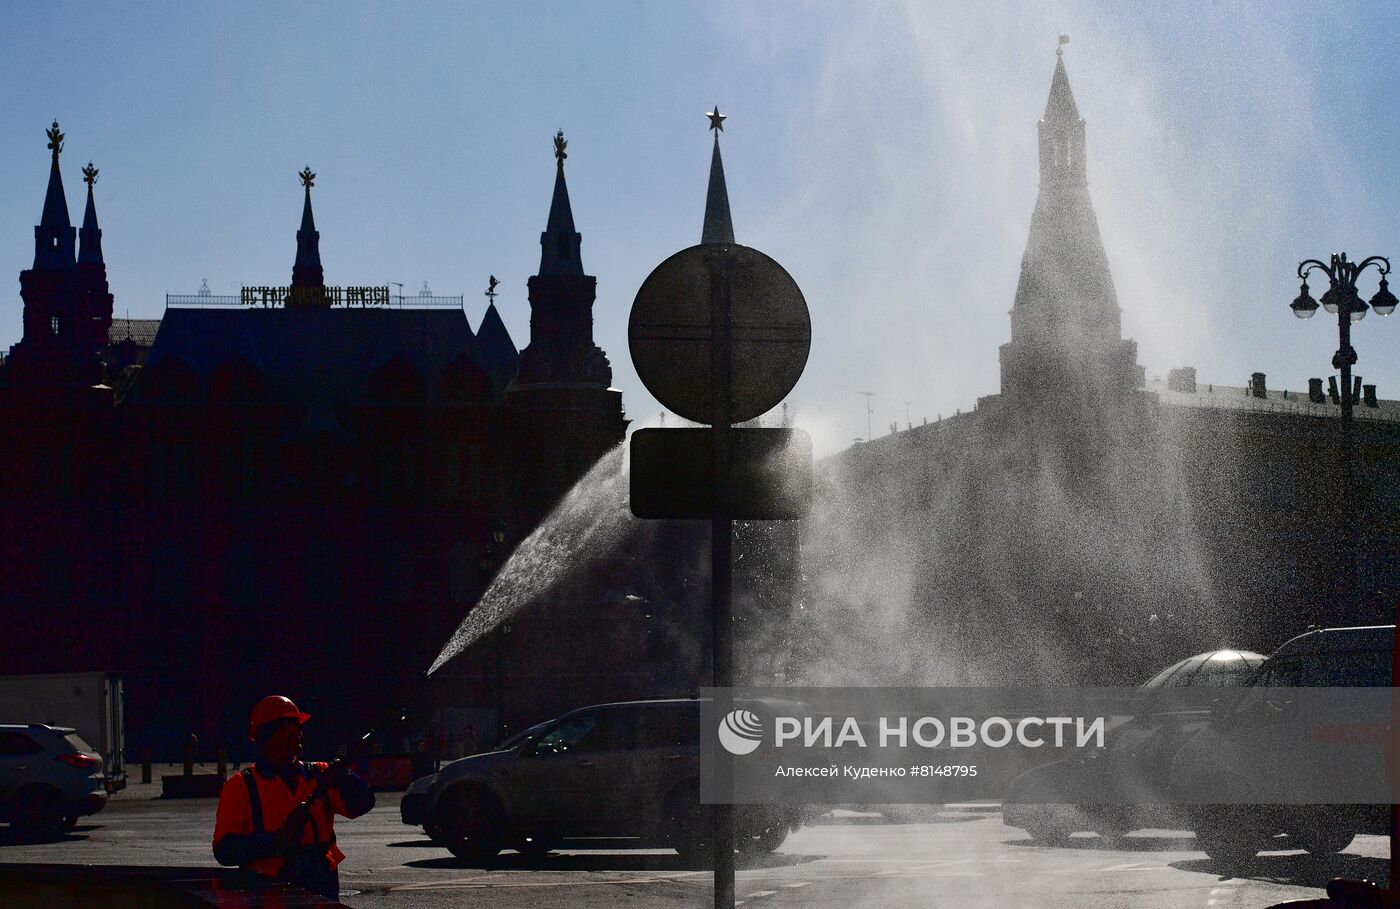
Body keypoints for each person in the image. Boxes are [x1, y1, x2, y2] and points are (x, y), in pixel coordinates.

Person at [212, 695, 375, 901]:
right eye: (281, 737)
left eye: (293, 735)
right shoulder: (241, 785)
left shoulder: (320, 774)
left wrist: (345, 778)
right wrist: (276, 841)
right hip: (269, 893)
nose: (290, 743)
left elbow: (363, 804)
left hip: (322, 886)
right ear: (263, 740)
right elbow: (225, 850)